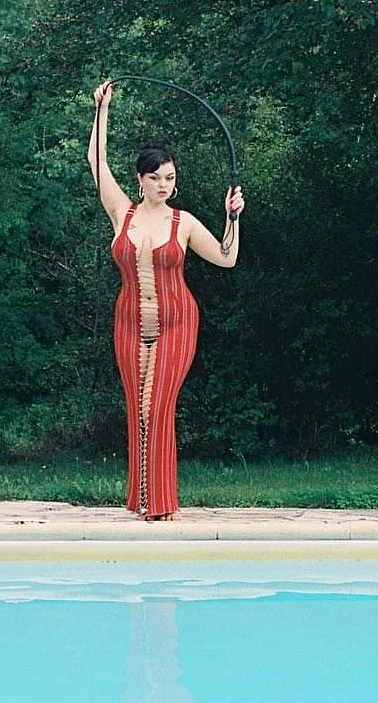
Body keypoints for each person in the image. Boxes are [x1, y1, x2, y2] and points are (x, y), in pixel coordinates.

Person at [88, 80, 245, 521]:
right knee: (136, 406)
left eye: (170, 178)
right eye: (155, 177)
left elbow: (227, 258)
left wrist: (233, 218)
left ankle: (161, 504)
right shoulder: (122, 211)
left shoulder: (185, 221)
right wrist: (102, 110)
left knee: (158, 403)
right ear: (140, 180)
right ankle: (142, 499)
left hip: (178, 322)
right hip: (129, 322)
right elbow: (95, 162)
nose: (163, 184)